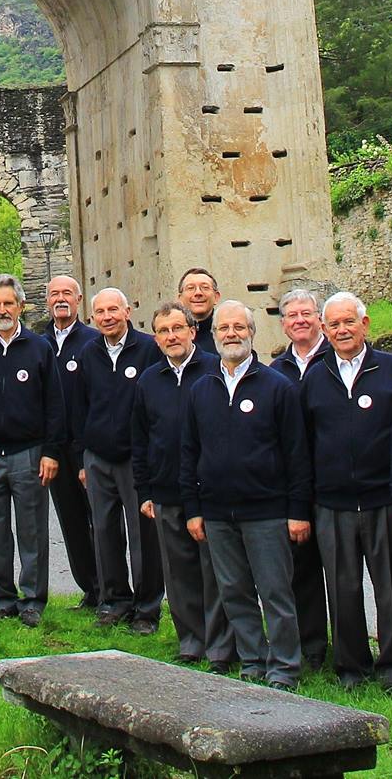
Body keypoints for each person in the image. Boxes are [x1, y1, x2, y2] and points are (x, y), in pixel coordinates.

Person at [181, 301, 312, 690]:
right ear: (214, 335)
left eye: (239, 327)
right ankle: (252, 661)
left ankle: (285, 666)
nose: (231, 334)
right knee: (234, 592)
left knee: (275, 592)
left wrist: (297, 510)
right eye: (224, 328)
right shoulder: (201, 389)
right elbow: (189, 453)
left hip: (267, 511)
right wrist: (193, 509)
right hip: (218, 514)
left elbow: (296, 454)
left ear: (252, 332)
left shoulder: (277, 387)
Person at [302, 291, 392, 691]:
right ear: (324, 330)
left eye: (349, 322)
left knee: (389, 589)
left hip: (384, 499)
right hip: (332, 504)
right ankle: (351, 668)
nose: (342, 330)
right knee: (343, 590)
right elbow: (305, 443)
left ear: (365, 325)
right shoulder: (314, 376)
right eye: (334, 324)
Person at [0, 274, 65, 626]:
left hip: (29, 453)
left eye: (8, 303)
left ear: (20, 305)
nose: (2, 309)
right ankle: (2, 600)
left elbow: (55, 404)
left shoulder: (39, 348)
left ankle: (33, 600)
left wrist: (51, 451)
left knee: (32, 529)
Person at [131, 302, 231, 668]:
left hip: (209, 492)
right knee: (179, 573)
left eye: (177, 328)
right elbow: (139, 440)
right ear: (156, 339)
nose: (171, 336)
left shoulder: (214, 371)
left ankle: (221, 645)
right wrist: (145, 491)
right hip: (166, 491)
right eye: (163, 331)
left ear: (192, 331)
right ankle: (191, 640)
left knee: (215, 571)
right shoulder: (149, 381)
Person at [75, 286, 163, 635]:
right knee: (104, 530)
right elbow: (80, 407)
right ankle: (114, 601)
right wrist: (83, 457)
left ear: (128, 311)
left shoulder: (147, 349)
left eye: (114, 309)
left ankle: (147, 608)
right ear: (93, 317)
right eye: (101, 312)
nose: (108, 317)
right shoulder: (88, 353)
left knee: (144, 533)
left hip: (135, 457)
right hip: (98, 457)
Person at [270, 287, 330, 674]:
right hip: (294, 484)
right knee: (301, 571)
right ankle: (313, 649)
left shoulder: (336, 358)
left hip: (334, 484)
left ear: (318, 318)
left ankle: (355, 651)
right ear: (283, 324)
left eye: (306, 314)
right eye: (291, 316)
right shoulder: (277, 371)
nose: (300, 321)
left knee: (344, 577)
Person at [42, 273, 101, 609]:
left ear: (79, 299)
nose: (60, 299)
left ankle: (112, 588)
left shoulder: (92, 342)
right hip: (54, 449)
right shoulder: (38, 343)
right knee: (72, 521)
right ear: (47, 300)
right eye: (54, 294)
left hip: (86, 449)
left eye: (67, 293)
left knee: (102, 521)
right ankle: (90, 589)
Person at [177, 267, 221, 354]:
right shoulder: (172, 337)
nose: (198, 293)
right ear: (180, 299)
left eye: (205, 287)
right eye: (190, 288)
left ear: (216, 297)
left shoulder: (226, 335)